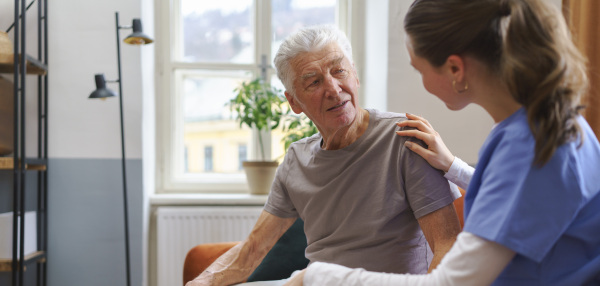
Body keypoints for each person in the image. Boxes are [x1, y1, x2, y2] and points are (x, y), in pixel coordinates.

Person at [284, 0, 600, 285]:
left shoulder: (530, 145)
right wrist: (453, 166)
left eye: (418, 69)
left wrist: (319, 275)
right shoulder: (544, 124)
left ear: (454, 69)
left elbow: (451, 283)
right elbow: (526, 201)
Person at [185, 25, 462, 286]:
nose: (333, 89)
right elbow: (253, 250)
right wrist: (202, 281)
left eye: (339, 71)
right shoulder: (296, 160)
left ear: (355, 74)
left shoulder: (406, 138)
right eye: (314, 81)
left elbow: (447, 246)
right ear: (294, 101)